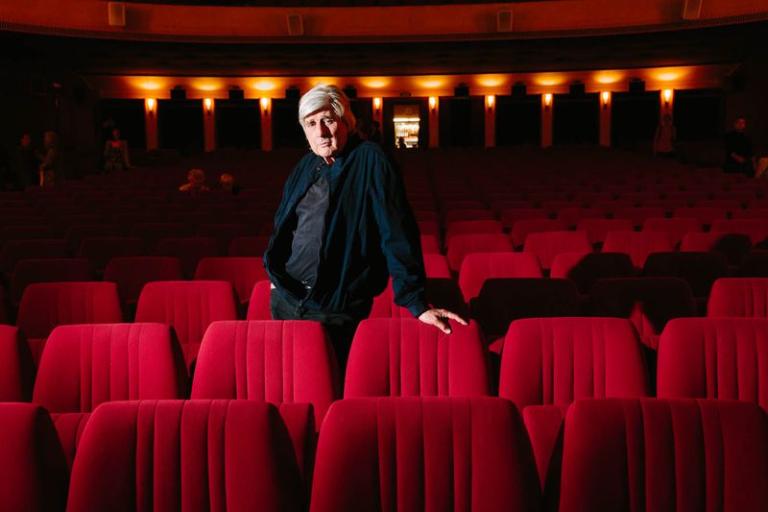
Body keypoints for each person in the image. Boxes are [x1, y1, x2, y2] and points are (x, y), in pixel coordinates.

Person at [264, 84, 465, 366]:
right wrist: (276, 277)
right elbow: (284, 224)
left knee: (330, 384)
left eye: (328, 120)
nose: (320, 131)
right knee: (294, 383)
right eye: (311, 123)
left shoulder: (371, 158)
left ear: (345, 121)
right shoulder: (305, 165)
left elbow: (396, 231)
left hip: (334, 306)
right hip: (286, 300)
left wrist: (415, 302)